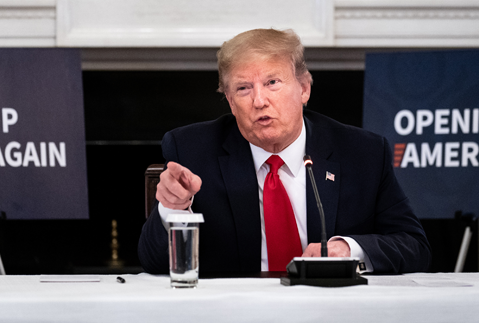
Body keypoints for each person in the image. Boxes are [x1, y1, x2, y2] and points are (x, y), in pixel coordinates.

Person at [138, 28, 431, 274]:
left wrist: (347, 250)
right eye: (243, 89)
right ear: (229, 101)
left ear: (304, 88)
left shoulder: (361, 153)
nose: (259, 100)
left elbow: (414, 247)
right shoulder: (192, 150)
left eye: (272, 83)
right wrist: (172, 209)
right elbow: (152, 262)